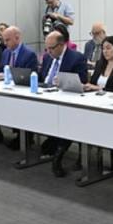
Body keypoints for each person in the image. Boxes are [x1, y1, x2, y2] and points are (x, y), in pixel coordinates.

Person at [39, 30, 87, 177]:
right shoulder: (48, 58)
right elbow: (42, 78)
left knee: (67, 120)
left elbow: (82, 82)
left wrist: (63, 83)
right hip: (46, 97)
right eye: (46, 48)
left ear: (61, 45)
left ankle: (59, 153)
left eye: (51, 48)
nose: (48, 52)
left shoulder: (76, 58)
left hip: (67, 101)